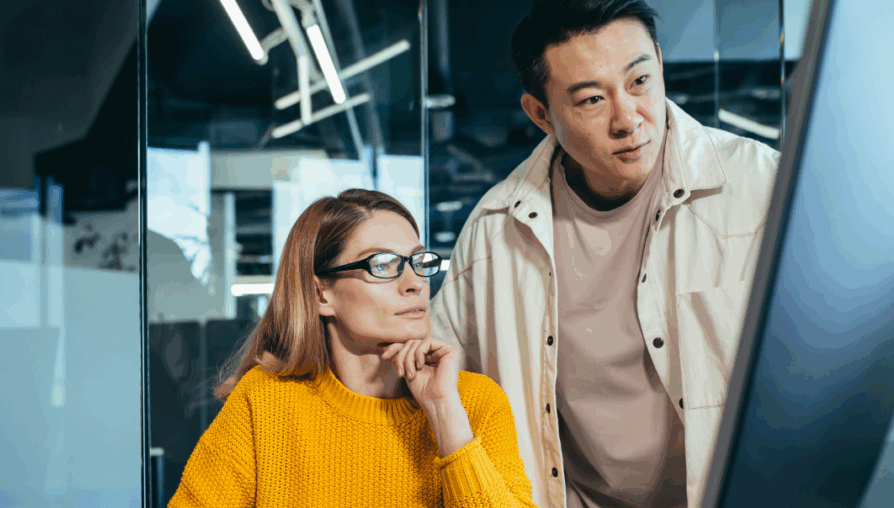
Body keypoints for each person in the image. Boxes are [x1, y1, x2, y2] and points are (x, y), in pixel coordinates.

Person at [429, 1, 779, 507]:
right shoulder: (494, 234)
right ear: (541, 115)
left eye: (639, 81)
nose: (627, 118)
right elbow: (433, 378)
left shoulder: (760, 190)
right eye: (592, 100)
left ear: (659, 63)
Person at [169, 189, 539, 508]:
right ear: (321, 294)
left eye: (417, 262)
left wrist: (444, 414)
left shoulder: (474, 404)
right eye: (383, 265)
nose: (414, 284)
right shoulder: (265, 404)